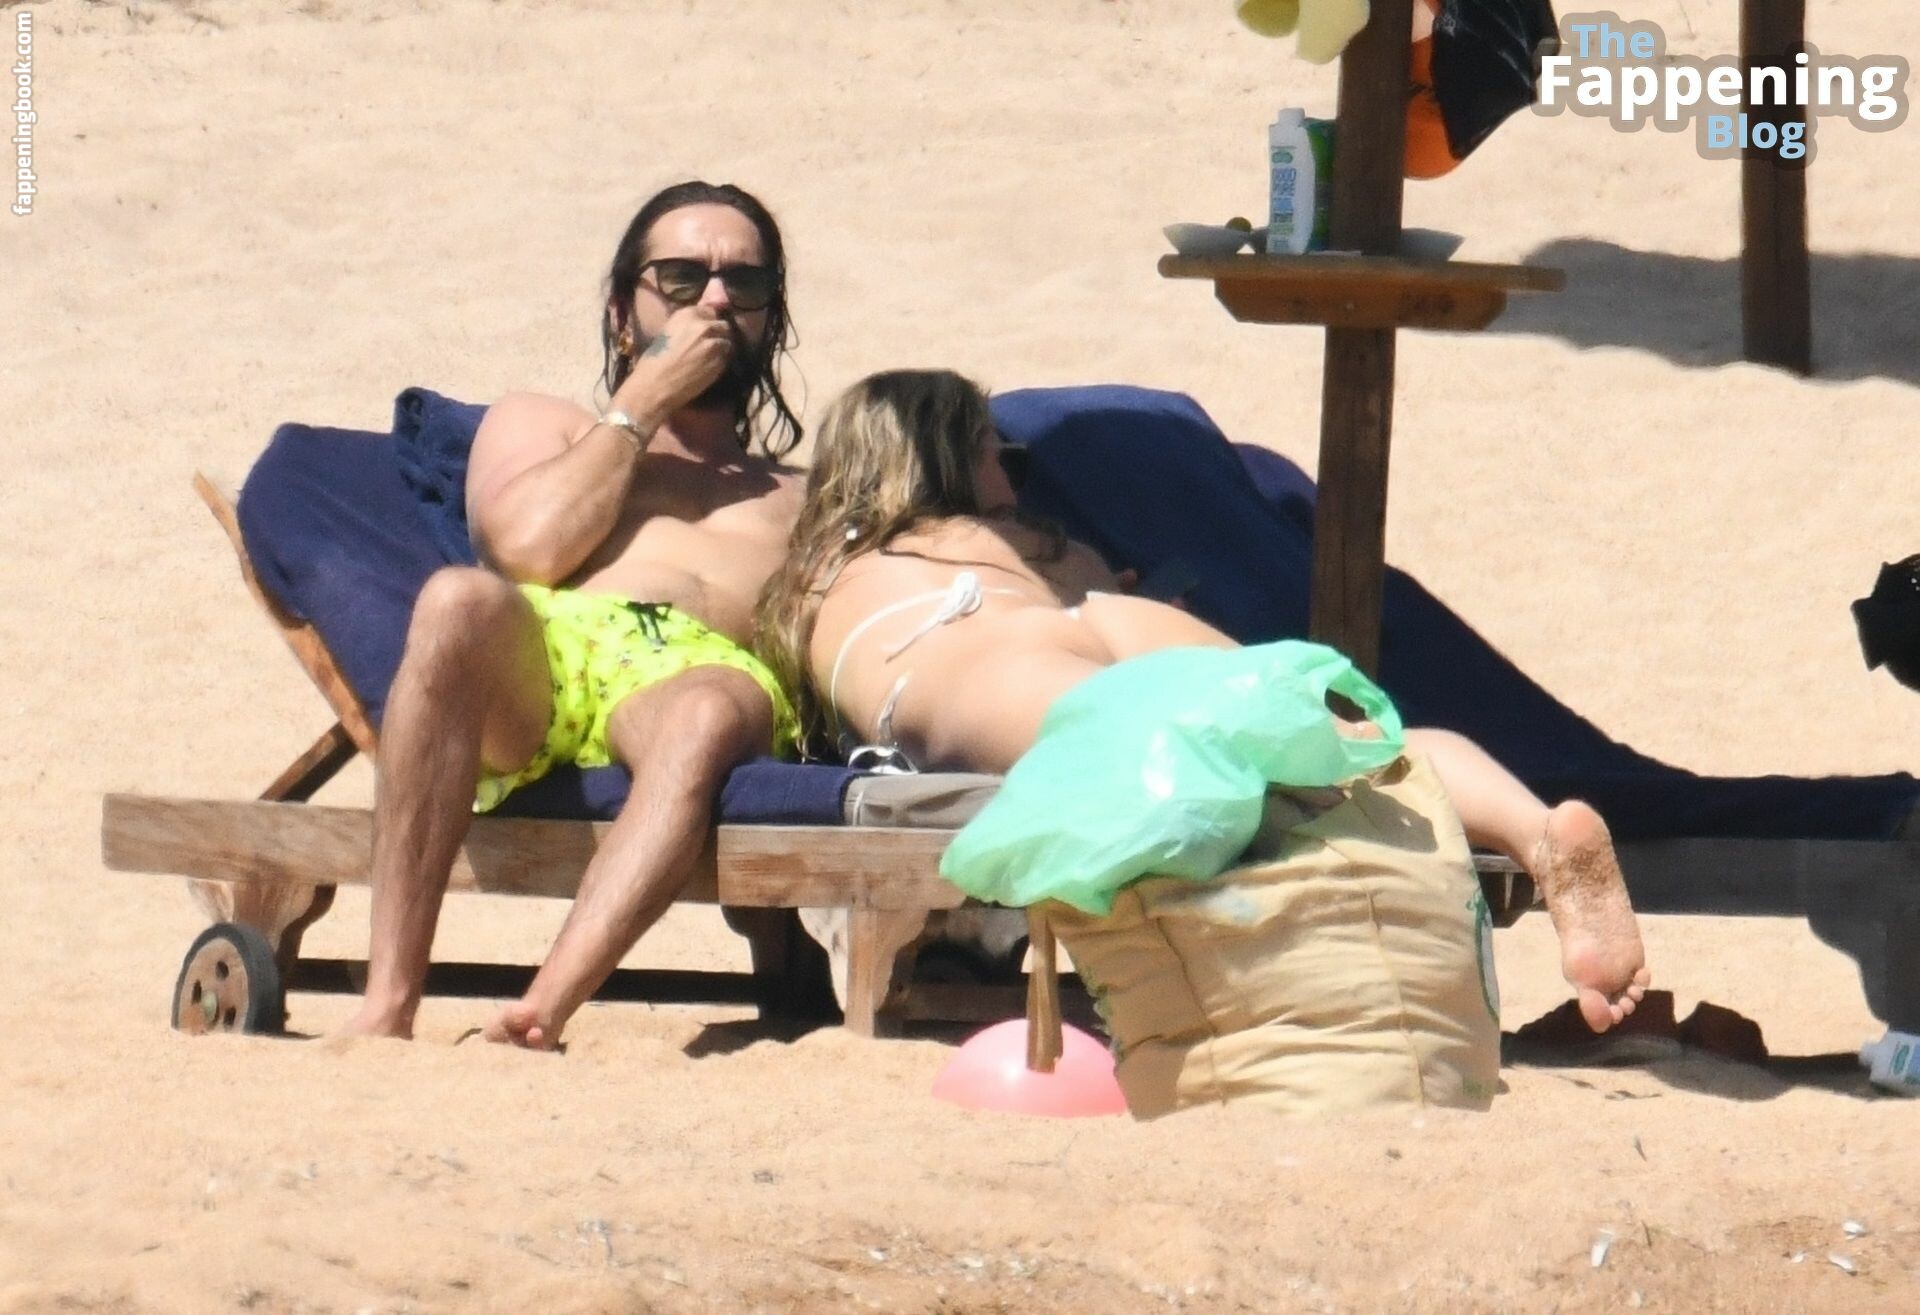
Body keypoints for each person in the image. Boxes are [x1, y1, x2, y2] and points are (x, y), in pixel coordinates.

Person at [758, 368, 1651, 1032]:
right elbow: (1090, 595)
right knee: (1344, 740)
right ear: (951, 458)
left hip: (971, 652)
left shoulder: (832, 566)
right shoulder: (1039, 544)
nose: (1015, 481)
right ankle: (1536, 829)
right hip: (1108, 618)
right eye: (1005, 459)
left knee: (1166, 752)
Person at [337, 181, 806, 1049]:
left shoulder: (799, 493)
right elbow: (523, 551)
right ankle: (387, 1002)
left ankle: (538, 1013)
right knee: (457, 599)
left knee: (705, 713)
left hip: (702, 675)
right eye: (681, 278)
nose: (714, 300)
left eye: (744, 283)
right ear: (623, 313)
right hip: (556, 646)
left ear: (769, 318)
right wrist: (645, 403)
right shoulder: (541, 424)